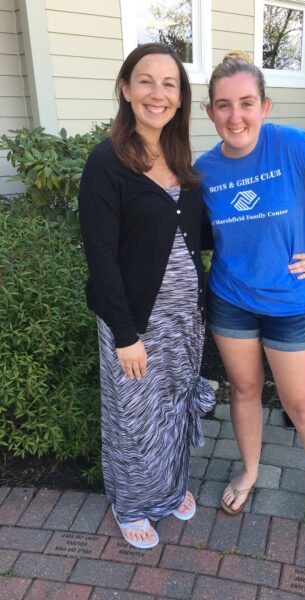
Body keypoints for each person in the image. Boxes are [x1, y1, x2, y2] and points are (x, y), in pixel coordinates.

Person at [195, 51, 305, 557]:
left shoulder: (293, 146)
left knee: (302, 406)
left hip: (289, 301)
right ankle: (250, 470)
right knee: (245, 389)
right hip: (230, 301)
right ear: (210, 112)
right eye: (224, 106)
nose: (236, 116)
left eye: (247, 103)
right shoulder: (204, 170)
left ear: (265, 105)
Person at [78, 43, 214, 550]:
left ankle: (170, 487)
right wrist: (125, 334)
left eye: (170, 84)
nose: (158, 93)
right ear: (125, 89)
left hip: (185, 318)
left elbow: (197, 235)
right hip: (134, 322)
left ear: (180, 99)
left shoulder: (180, 158)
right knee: (134, 417)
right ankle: (132, 503)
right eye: (146, 81)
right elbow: (101, 256)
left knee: (174, 407)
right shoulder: (106, 163)